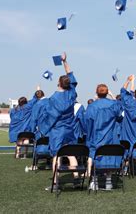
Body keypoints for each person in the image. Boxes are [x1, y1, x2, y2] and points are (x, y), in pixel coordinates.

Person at [41, 52, 79, 191]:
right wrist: (65, 61)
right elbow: (71, 75)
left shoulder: (53, 99)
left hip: (57, 131)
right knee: (71, 154)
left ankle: (56, 183)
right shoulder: (71, 94)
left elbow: (50, 118)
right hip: (69, 129)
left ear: (58, 83)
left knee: (56, 156)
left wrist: (43, 129)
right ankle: (76, 180)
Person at [85, 84, 122, 190]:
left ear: (97, 93)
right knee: (109, 156)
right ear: (107, 93)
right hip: (110, 136)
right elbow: (120, 117)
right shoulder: (113, 105)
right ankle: (108, 181)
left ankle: (95, 181)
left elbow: (88, 122)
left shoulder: (92, 106)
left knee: (95, 155)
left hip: (96, 136)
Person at [9, 89, 40, 158]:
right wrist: (37, 91)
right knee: (26, 140)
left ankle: (17, 154)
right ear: (26, 102)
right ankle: (25, 154)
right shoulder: (27, 107)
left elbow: (11, 118)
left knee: (19, 141)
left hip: (16, 131)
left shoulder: (13, 110)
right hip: (26, 130)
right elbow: (34, 100)